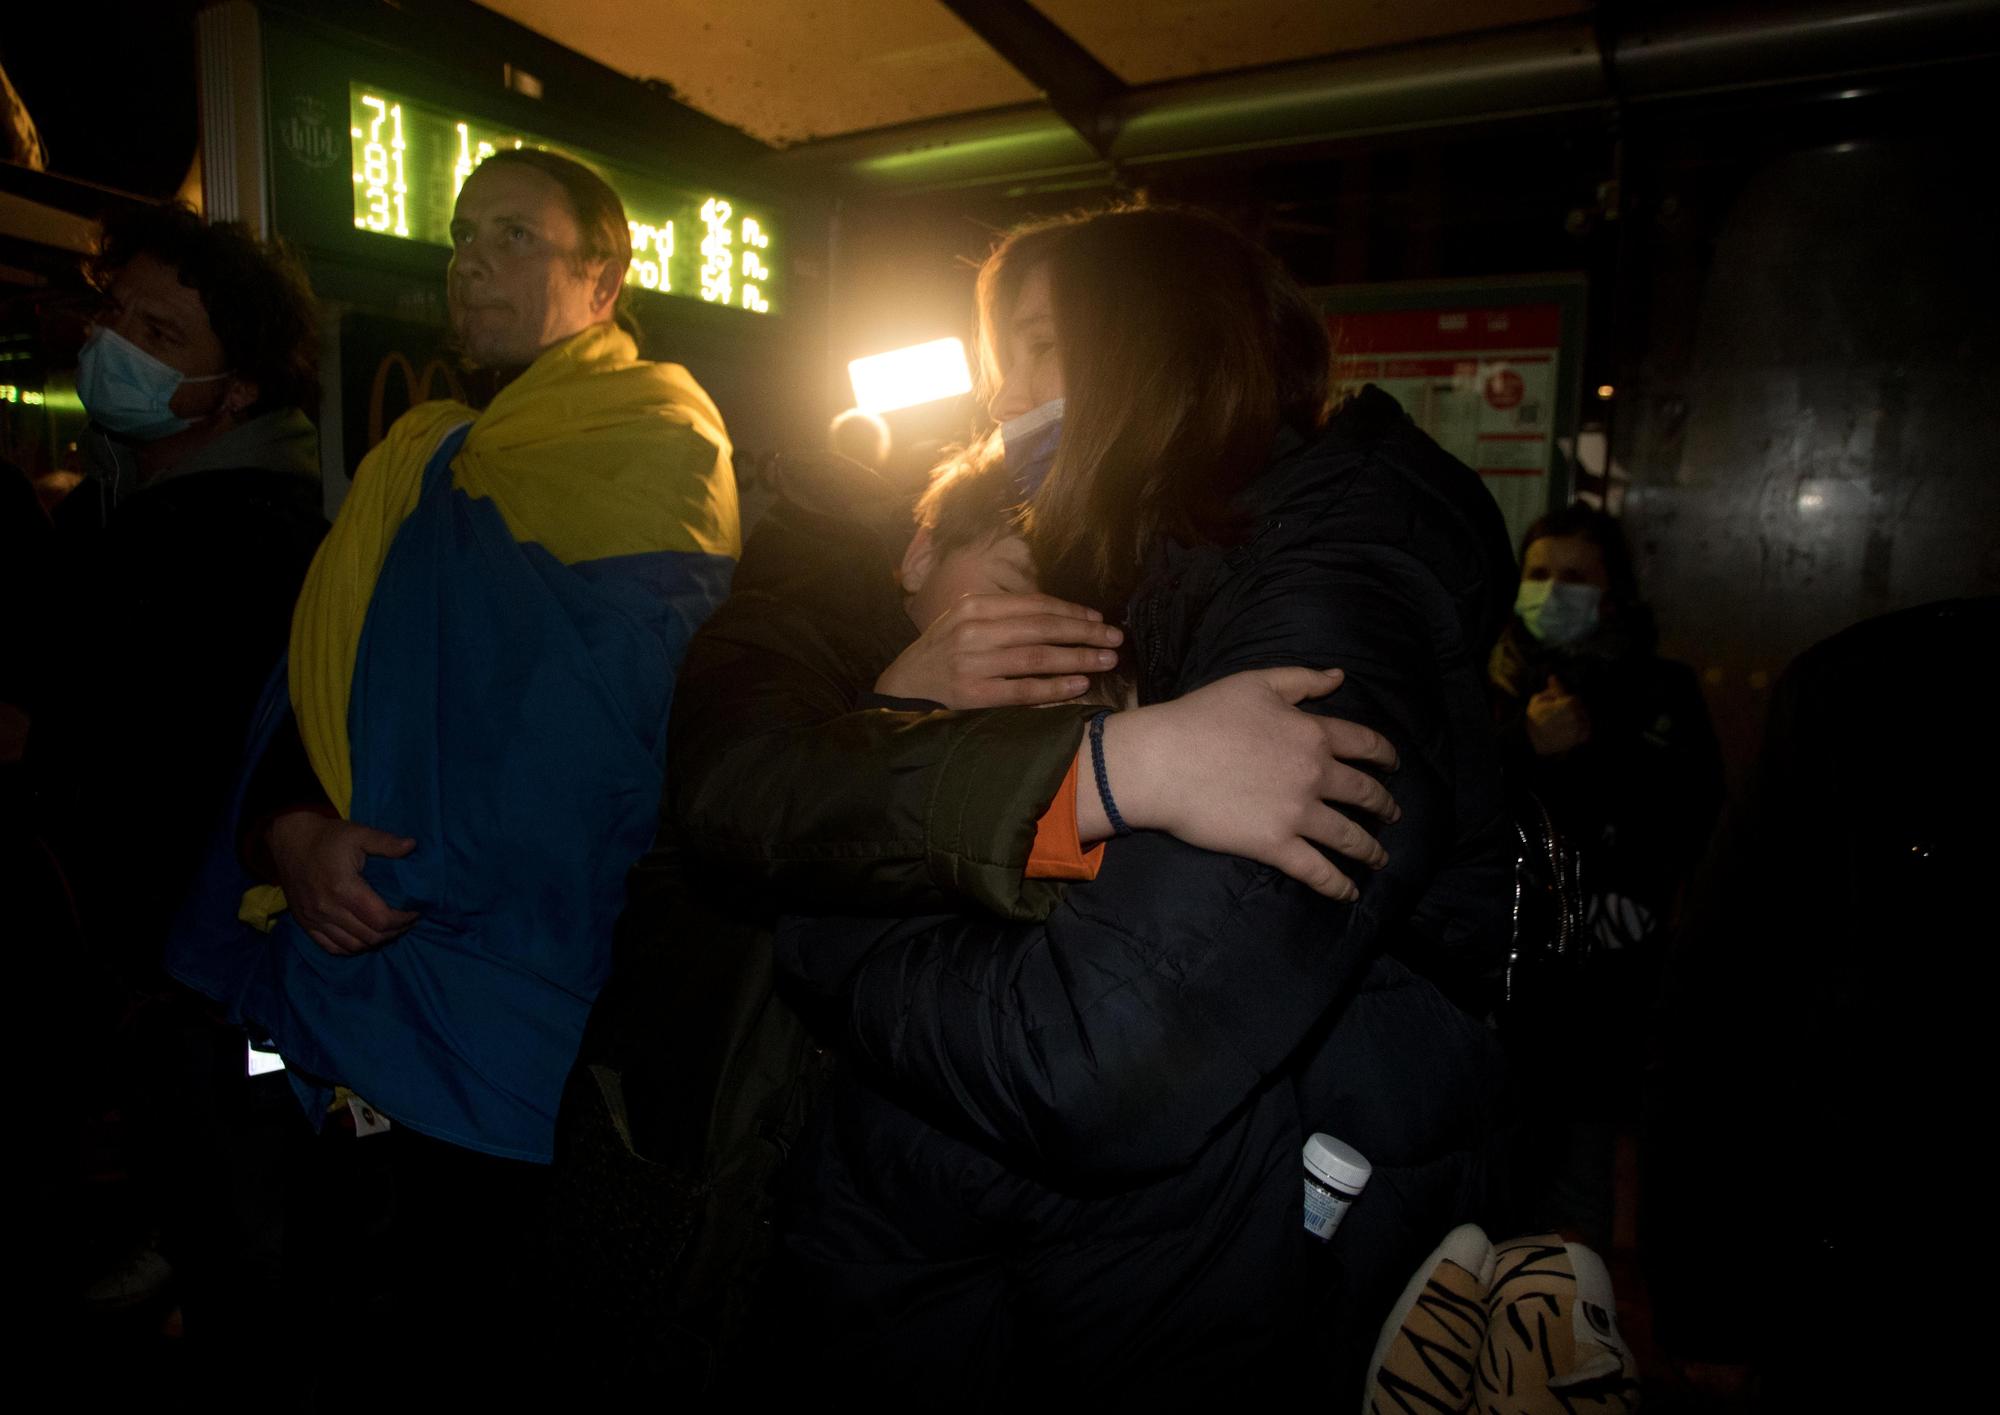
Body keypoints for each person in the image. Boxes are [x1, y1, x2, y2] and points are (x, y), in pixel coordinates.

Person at [665, 204, 1520, 1402]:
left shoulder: (1284, 586)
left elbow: (1089, 1045)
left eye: (1038, 344)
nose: (1003, 393)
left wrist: (833, 907)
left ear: (1148, 343)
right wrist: (1046, 752)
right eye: (993, 360)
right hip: (853, 1227)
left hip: (1147, 1266)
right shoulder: (816, 594)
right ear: (911, 546)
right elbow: (732, 793)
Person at [552, 428, 1402, 1387]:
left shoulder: (1057, 791)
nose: (1036, 647)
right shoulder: (780, 636)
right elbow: (753, 802)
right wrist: (1105, 762)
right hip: (671, 1176)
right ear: (919, 552)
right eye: (1010, 592)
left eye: (1077, 628)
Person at [166, 147, 740, 1373]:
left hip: (513, 986)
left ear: (606, 273)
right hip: (349, 949)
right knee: (337, 1308)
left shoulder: (656, 445)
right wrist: (291, 834)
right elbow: (315, 699)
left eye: (514, 235)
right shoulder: (426, 456)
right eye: (460, 235)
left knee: (469, 1333)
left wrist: (393, 879)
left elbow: (591, 760)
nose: (471, 259)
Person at [17, 205, 327, 1338]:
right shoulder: (119, 508)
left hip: (209, 975)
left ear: (236, 388)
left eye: (164, 331)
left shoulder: (252, 538)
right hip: (147, 982)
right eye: (115, 311)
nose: (118, 343)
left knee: (244, 1223)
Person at [1487, 502, 1723, 1245]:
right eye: (1539, 573)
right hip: (1493, 992)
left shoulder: (1661, 693)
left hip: (1600, 1001)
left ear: (1611, 590)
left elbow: (1687, 820)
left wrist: (1589, 752)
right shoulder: (1485, 686)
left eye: (1575, 576)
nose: (1553, 590)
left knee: (1573, 1208)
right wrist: (1523, 744)